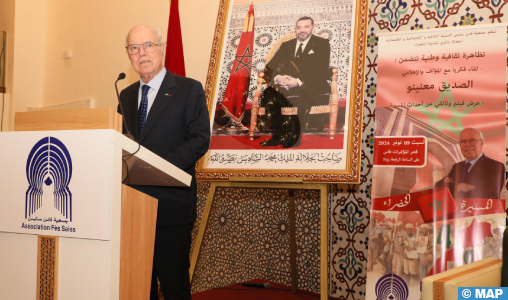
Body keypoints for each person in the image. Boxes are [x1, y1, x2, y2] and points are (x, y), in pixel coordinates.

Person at [118, 25, 210, 300]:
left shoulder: (188, 89)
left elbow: (199, 139)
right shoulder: (125, 94)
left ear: (162, 49)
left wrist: (160, 166)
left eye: (148, 45)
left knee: (173, 285)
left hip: (171, 204)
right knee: (137, 284)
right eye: (134, 48)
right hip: (133, 206)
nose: (142, 53)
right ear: (129, 55)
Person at [265, 16, 331, 132]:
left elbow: (321, 69)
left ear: (313, 28)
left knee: (304, 92)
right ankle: (281, 127)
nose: (302, 30)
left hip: (312, 85)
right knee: (273, 94)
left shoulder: (322, 43)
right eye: (298, 27)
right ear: (295, 29)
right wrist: (278, 78)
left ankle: (299, 125)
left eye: (306, 26)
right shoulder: (286, 46)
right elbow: (269, 67)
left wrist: (298, 82)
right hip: (286, 85)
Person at [435, 127, 505, 200]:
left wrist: (452, 186)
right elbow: (438, 186)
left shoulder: (496, 166)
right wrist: (458, 187)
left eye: (472, 140)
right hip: (458, 210)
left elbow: (488, 193)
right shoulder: (457, 166)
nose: (468, 144)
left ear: (481, 143)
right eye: (463, 141)